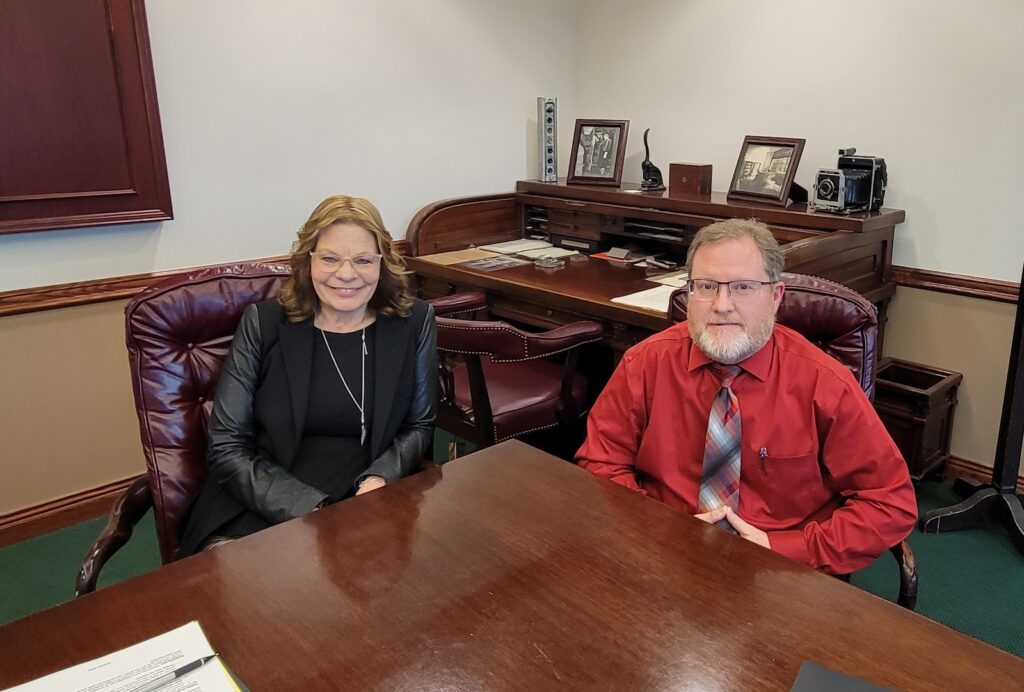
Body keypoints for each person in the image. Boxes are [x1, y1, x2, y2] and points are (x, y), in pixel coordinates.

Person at [575, 218, 916, 575]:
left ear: (775, 296)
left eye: (743, 287)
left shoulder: (825, 384)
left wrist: (785, 549)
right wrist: (664, 530)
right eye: (706, 286)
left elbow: (890, 502)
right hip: (661, 555)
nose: (722, 305)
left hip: (781, 573)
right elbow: (600, 465)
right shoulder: (644, 364)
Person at [177, 195, 437, 556]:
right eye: (330, 258)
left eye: (363, 260)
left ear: (383, 263)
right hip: (263, 494)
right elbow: (226, 444)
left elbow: (419, 425)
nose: (346, 274)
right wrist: (311, 510)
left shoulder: (413, 322)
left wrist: (379, 479)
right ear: (307, 260)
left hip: (366, 496)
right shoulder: (264, 323)